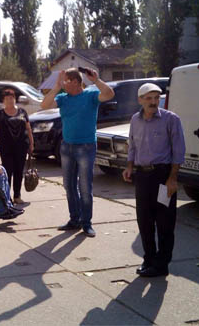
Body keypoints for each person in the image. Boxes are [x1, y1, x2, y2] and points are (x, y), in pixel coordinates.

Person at [40, 67, 115, 237]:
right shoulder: (63, 98)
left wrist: (96, 80)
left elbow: (109, 94)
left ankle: (86, 223)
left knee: (85, 187)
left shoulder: (90, 95)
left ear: (75, 82)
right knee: (69, 186)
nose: (64, 84)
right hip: (67, 147)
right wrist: (57, 86)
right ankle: (74, 220)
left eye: (66, 81)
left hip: (86, 147)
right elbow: (44, 105)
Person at [122, 83, 186, 277]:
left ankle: (161, 265)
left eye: (156, 98)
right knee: (144, 220)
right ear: (140, 100)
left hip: (162, 177)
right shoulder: (135, 119)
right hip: (142, 177)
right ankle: (149, 259)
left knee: (164, 222)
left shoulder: (171, 119)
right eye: (149, 98)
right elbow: (132, 145)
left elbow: (178, 151)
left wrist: (172, 179)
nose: (153, 102)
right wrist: (129, 166)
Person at [0, 87, 34, 205]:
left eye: (11, 98)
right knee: (7, 172)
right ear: (3, 101)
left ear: (15, 99)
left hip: (21, 147)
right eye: (7, 99)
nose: (10, 100)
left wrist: (31, 143)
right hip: (6, 148)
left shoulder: (22, 112)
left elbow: (28, 128)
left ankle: (17, 196)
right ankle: (7, 196)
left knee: (19, 171)